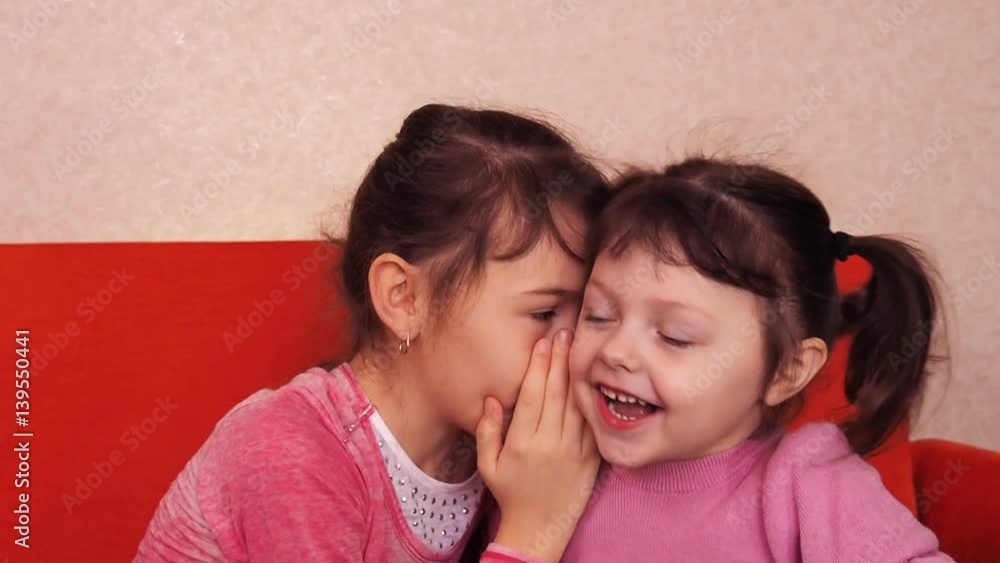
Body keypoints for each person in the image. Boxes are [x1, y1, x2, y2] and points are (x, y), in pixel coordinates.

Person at [134, 103, 610, 562]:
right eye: (545, 313)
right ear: (404, 298)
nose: (573, 349)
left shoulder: (509, 457)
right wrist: (531, 532)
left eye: (589, 315)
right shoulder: (289, 452)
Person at [559, 157, 954, 562]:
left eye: (675, 336)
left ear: (787, 371)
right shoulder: (556, 456)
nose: (616, 351)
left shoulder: (807, 483)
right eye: (598, 315)